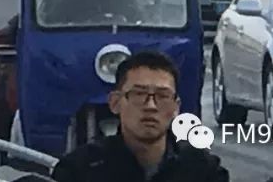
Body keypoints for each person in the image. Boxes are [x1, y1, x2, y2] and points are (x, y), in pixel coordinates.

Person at [52, 51, 228, 182]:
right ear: (115, 103)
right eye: (138, 94)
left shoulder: (204, 171)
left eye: (162, 96)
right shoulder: (80, 170)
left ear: (176, 108)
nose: (150, 106)